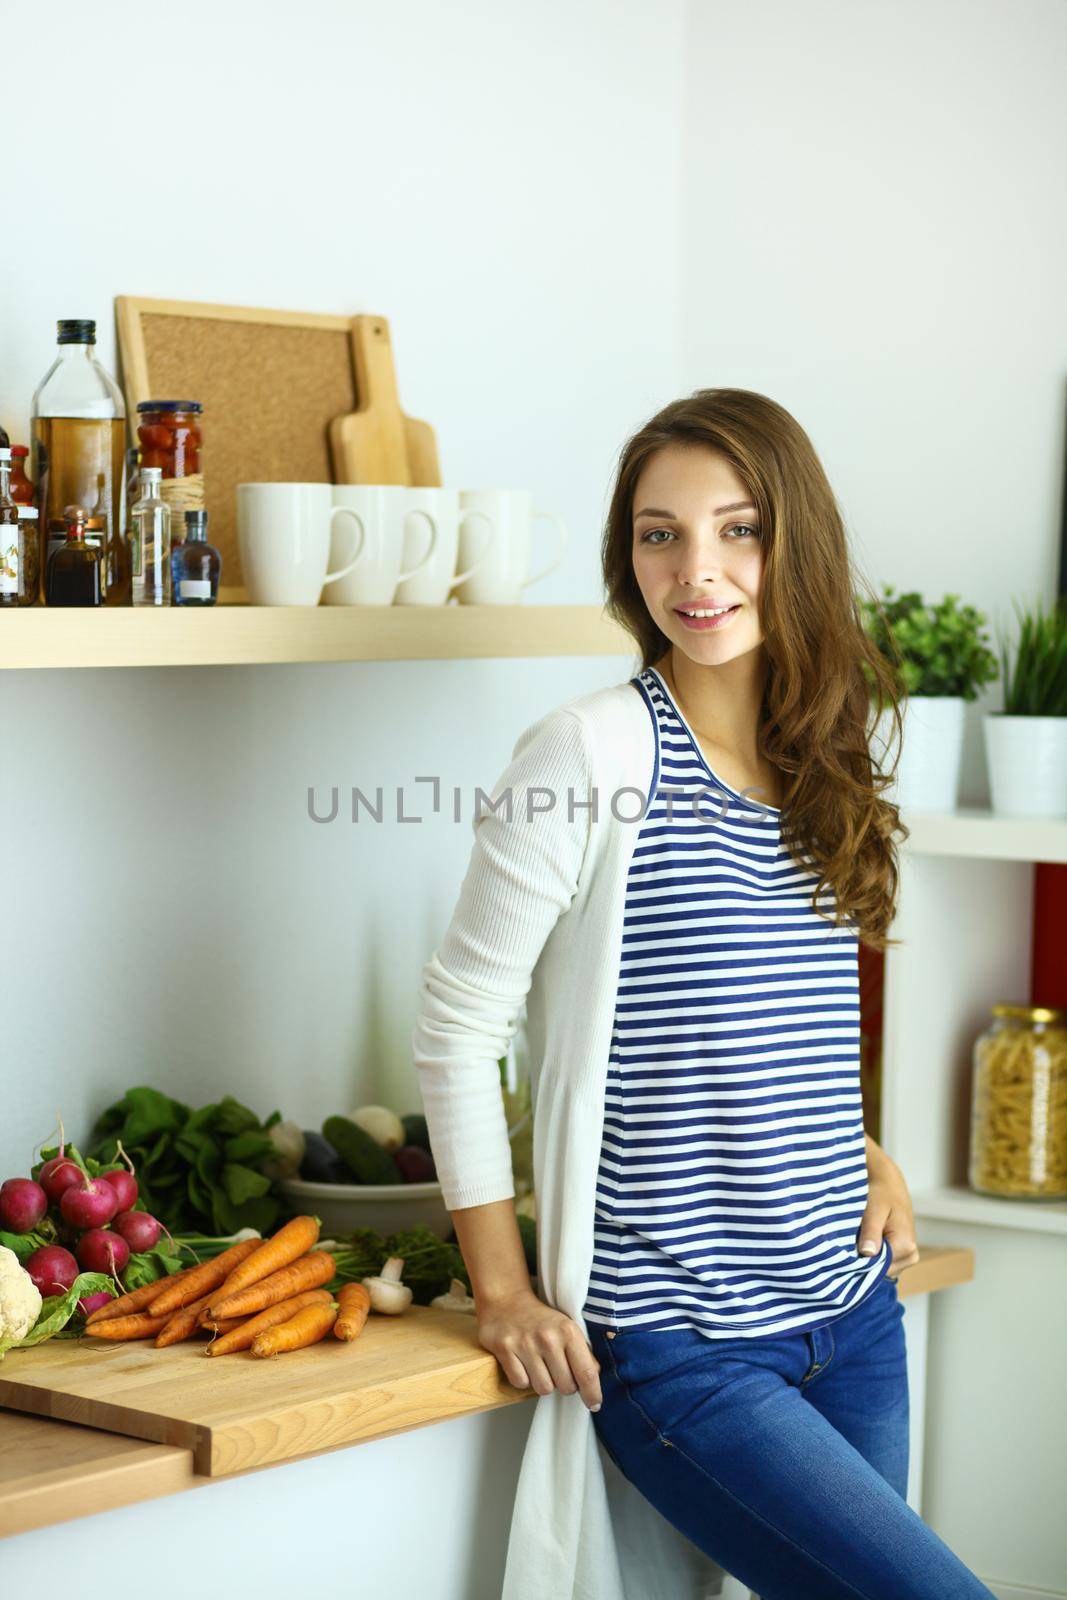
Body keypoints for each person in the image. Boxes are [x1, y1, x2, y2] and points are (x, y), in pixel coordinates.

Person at [411, 389, 995, 1599]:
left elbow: (775, 1019)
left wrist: (862, 1147)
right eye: (657, 532)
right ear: (628, 557)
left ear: (797, 544)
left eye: (738, 530)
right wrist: (503, 1286)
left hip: (850, 1309)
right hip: (682, 1353)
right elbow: (459, 1023)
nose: (698, 569)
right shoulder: (589, 753)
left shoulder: (822, 751)